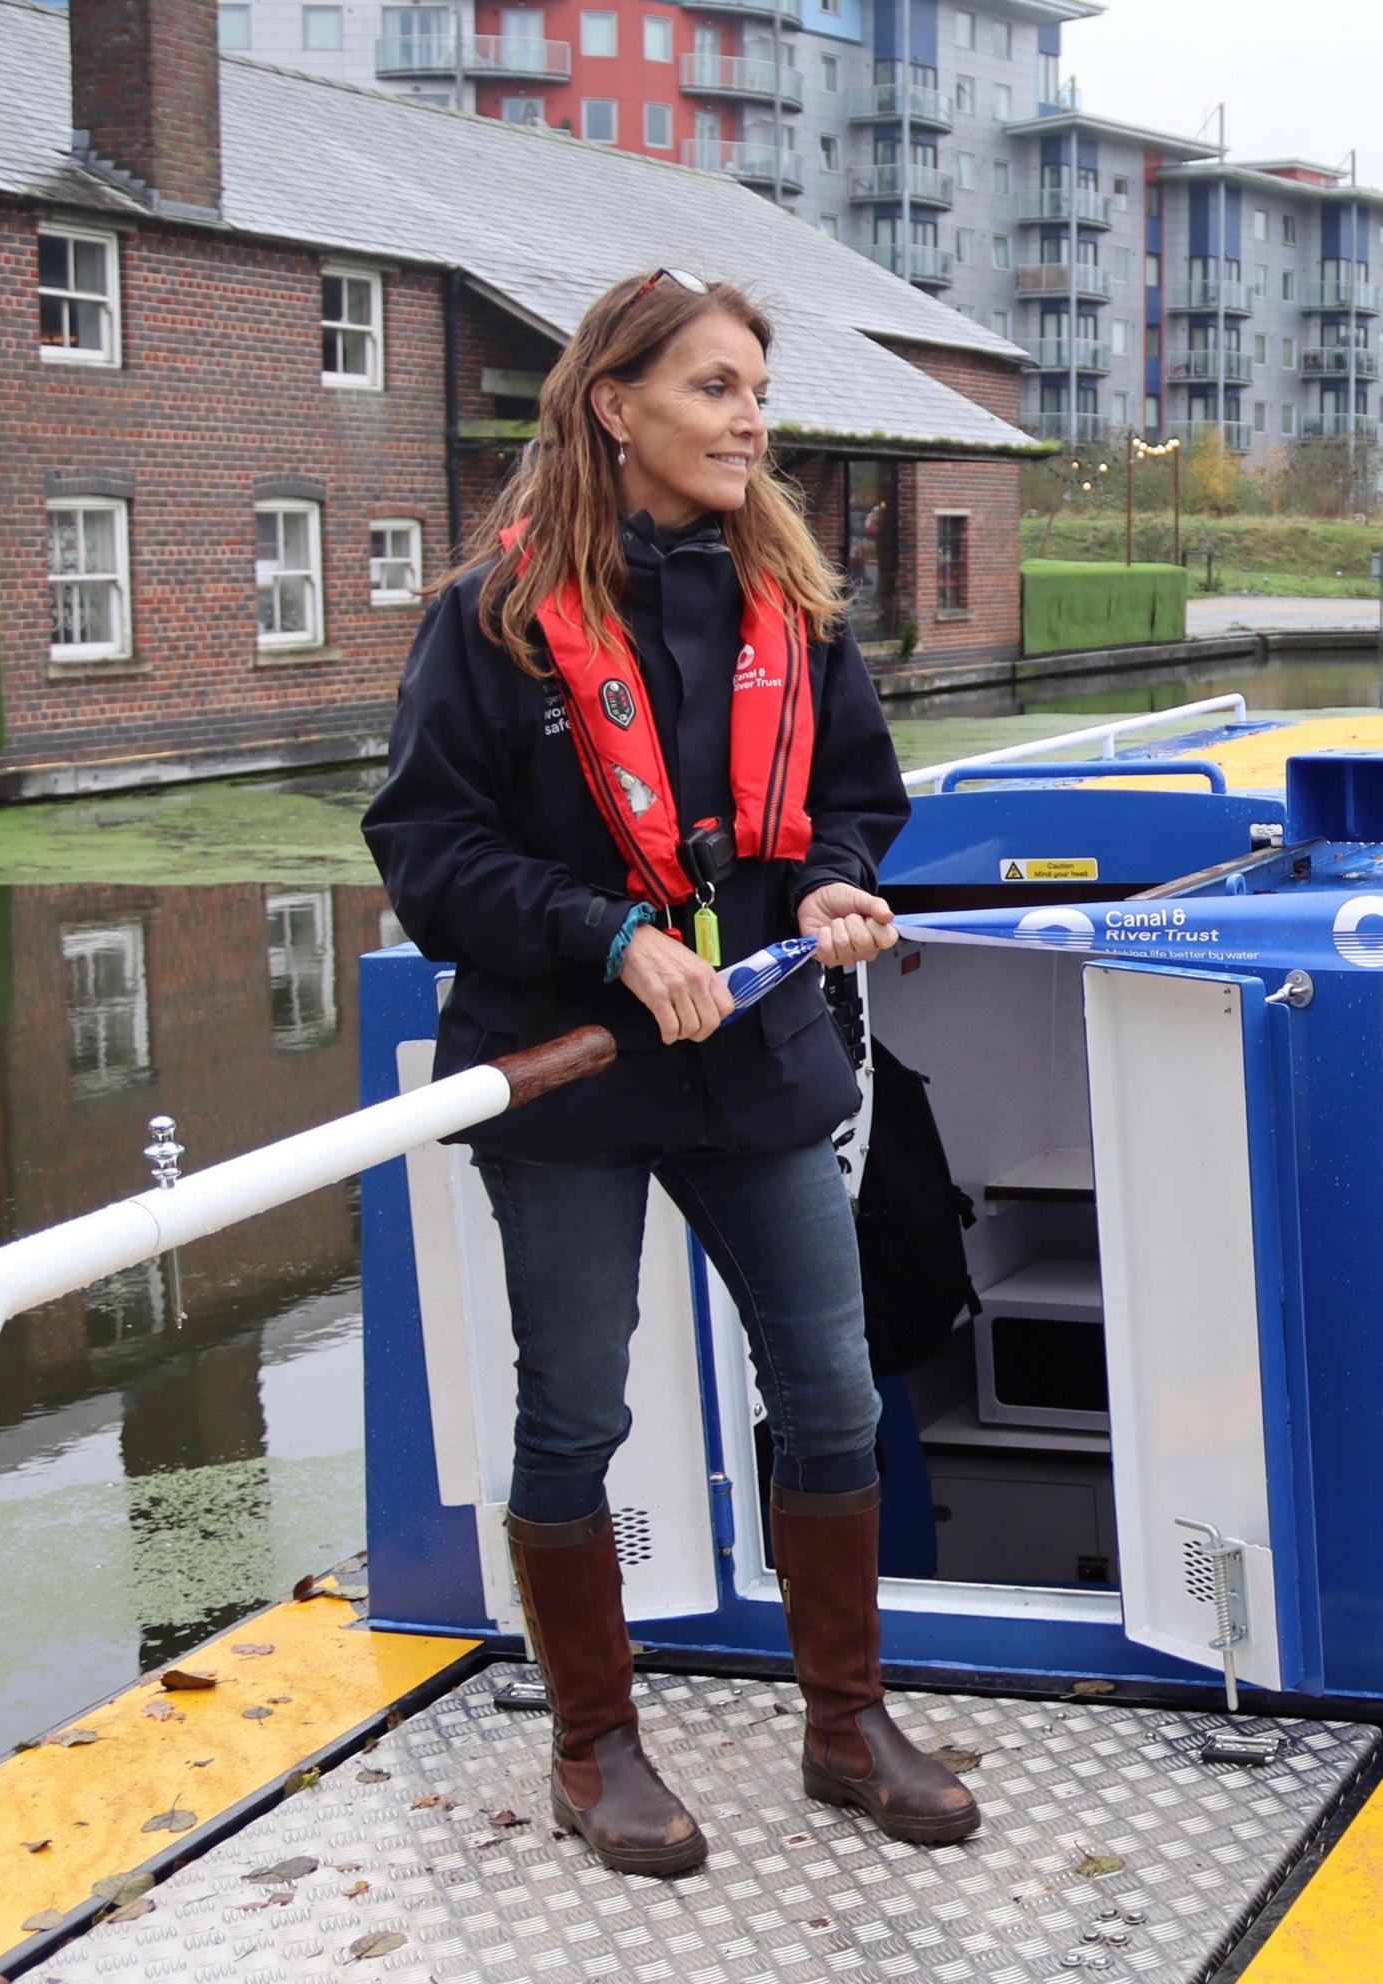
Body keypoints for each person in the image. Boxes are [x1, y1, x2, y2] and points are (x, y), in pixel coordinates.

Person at [362, 269, 977, 1878]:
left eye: (757, 393)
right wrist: (605, 933)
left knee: (832, 1392)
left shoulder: (795, 608)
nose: (749, 420)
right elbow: (425, 853)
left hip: (754, 1065)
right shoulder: (489, 618)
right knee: (575, 1407)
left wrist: (838, 879)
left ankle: (846, 1726)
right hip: (565, 1068)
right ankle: (594, 1747)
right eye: (714, 389)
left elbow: (854, 796)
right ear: (613, 407)